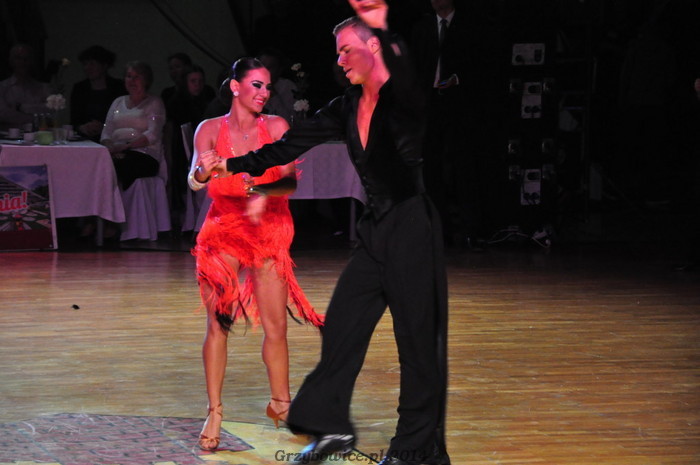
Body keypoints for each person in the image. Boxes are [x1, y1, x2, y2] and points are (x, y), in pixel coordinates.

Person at [208, 1, 450, 464]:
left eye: (345, 50)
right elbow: (287, 145)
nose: (338, 60)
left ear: (374, 48)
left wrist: (378, 22)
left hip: (412, 227)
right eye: (336, 52)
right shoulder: (345, 107)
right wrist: (232, 164)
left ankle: (415, 449)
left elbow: (409, 76)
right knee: (341, 327)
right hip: (375, 228)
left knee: (417, 344)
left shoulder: (405, 97)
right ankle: (331, 429)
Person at [188, 57, 324, 451]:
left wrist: (261, 192)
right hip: (223, 228)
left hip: (269, 228)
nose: (264, 93)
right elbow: (195, 179)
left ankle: (282, 403)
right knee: (219, 324)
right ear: (235, 87)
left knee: (275, 326)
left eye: (267, 86)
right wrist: (203, 172)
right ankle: (215, 410)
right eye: (257, 85)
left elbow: (289, 183)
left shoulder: (277, 127)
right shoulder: (209, 129)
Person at [411, 0, 484, 247]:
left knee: (463, 165)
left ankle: (471, 228)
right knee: (431, 167)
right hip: (430, 105)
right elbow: (415, 66)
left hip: (460, 106)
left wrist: (457, 79)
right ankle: (439, 228)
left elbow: (481, 63)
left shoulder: (469, 26)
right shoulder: (423, 28)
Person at [100, 61, 165, 190]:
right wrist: (111, 148)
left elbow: (152, 134)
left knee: (118, 166)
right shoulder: (117, 102)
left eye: (137, 77)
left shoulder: (154, 103)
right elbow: (107, 131)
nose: (132, 81)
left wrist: (124, 147)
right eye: (129, 76)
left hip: (143, 155)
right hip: (116, 152)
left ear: (146, 80)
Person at [164, 64, 216, 219]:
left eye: (200, 81)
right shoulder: (177, 102)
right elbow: (173, 131)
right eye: (193, 81)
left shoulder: (207, 98)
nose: (197, 85)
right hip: (184, 149)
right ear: (185, 83)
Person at [70, 45, 125, 142]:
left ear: (104, 65)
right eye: (85, 64)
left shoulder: (118, 87)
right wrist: (82, 128)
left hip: (113, 140)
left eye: (92, 64)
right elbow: (74, 121)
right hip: (84, 141)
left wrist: (104, 127)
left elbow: (124, 119)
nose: (87, 68)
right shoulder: (79, 88)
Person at [0, 43, 50, 131]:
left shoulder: (42, 88)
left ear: (32, 61)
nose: (22, 62)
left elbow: (49, 112)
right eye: (18, 58)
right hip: (8, 137)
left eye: (26, 58)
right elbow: (3, 115)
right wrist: (35, 115)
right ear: (11, 61)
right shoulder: (2, 88)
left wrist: (20, 108)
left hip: (37, 136)